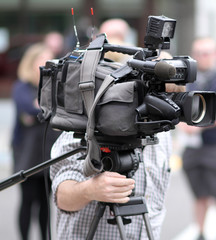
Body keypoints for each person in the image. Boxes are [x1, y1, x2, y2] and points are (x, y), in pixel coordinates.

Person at [49, 18, 184, 239]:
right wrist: (90, 190)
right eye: (160, 92)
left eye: (170, 93)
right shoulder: (95, 117)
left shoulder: (162, 128)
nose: (168, 103)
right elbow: (62, 196)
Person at [179, 37, 216, 240]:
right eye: (199, 53)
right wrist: (183, 125)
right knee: (199, 193)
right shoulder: (187, 79)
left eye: (207, 53)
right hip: (192, 147)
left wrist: (200, 124)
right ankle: (200, 231)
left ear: (215, 55)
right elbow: (175, 106)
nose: (203, 57)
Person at [11, 43, 61, 240]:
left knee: (45, 203)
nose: (48, 65)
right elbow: (30, 109)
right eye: (43, 61)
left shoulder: (52, 86)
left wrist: (41, 109)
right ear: (32, 64)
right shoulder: (21, 86)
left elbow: (49, 110)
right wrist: (44, 110)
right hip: (27, 153)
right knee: (27, 201)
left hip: (49, 151)